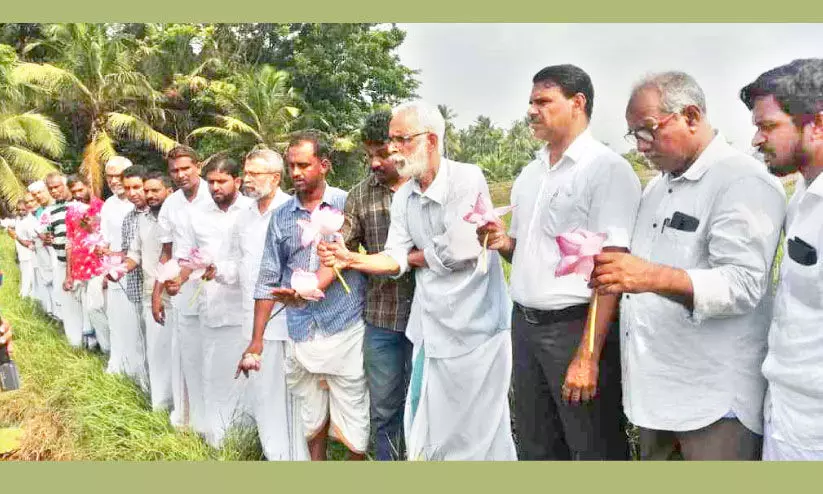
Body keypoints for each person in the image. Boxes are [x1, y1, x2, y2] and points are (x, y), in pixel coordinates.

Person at [591, 71, 786, 460]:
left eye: (647, 131)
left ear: (691, 116)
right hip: (655, 397)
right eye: (634, 135)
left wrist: (649, 276)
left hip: (713, 404)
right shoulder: (656, 187)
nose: (641, 146)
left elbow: (743, 284)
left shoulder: (742, 182)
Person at [318, 101, 517, 461]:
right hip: (433, 327)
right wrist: (352, 258)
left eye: (401, 140)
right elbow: (393, 256)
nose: (393, 149)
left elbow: (460, 249)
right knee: (430, 426)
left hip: (479, 329)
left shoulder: (466, 177)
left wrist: (409, 260)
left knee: (481, 430)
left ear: (431, 140)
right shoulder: (405, 197)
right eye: (391, 140)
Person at [479, 64, 639, 460]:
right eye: (531, 102)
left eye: (543, 101)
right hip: (527, 327)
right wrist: (503, 243)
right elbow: (532, 255)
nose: (532, 110)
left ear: (578, 103)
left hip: (575, 328)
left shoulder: (606, 170)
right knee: (537, 445)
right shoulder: (531, 173)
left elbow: (611, 268)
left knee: (592, 446)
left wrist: (587, 355)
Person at [239, 130, 368, 461]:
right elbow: (268, 275)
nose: (295, 173)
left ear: (324, 165)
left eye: (303, 165)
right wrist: (257, 340)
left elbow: (351, 254)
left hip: (345, 324)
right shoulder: (281, 216)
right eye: (291, 165)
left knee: (353, 413)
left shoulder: (346, 203)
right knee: (311, 416)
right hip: (301, 330)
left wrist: (308, 289)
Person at [740, 59, 823, 461]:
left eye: (768, 126)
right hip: (788, 411)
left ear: (817, 124)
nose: (756, 139)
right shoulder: (803, 196)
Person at [221, 148, 308, 460]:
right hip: (254, 320)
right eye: (247, 173)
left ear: (275, 177)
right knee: (265, 397)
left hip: (289, 319)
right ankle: (277, 458)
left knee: (296, 398)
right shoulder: (243, 215)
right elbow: (236, 264)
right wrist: (212, 271)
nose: (247, 180)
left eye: (255, 174)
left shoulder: (291, 210)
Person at [341, 110, 415, 460]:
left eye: (381, 154)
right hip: (381, 317)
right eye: (368, 155)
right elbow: (342, 243)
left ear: (403, 147)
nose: (373, 163)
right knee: (384, 408)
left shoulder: (425, 187)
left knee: (424, 405)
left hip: (429, 317)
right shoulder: (360, 195)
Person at [174, 154, 253, 447]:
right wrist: (178, 279)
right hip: (212, 309)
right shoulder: (197, 215)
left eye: (222, 181)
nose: (216, 187)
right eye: (211, 183)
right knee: (215, 377)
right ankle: (219, 440)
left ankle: (246, 440)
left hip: (247, 311)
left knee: (247, 383)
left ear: (238, 181)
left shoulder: (252, 210)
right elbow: (185, 256)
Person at [153, 145, 215, 432]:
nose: (180, 175)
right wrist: (157, 293)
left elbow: (214, 247)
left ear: (198, 166)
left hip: (217, 287)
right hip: (181, 291)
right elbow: (166, 253)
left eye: (185, 168)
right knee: (190, 357)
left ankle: (225, 425)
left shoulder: (215, 194)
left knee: (217, 357)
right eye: (174, 171)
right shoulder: (171, 204)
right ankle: (197, 423)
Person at [125, 172, 174, 413]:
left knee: (181, 354)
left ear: (169, 191)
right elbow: (135, 254)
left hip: (176, 294)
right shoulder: (143, 220)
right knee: (157, 354)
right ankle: (161, 407)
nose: (150, 195)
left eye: (156, 190)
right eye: (147, 190)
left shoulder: (177, 218)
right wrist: (116, 269)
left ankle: (183, 408)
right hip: (150, 295)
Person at [106, 165, 151, 390]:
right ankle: (146, 388)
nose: (133, 192)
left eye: (137, 187)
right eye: (128, 188)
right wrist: (113, 266)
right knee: (141, 339)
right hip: (135, 287)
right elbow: (128, 253)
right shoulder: (128, 219)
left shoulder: (160, 214)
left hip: (159, 289)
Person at [100, 157, 136, 364]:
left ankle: (136, 367)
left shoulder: (138, 202)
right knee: (117, 318)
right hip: (113, 271)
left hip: (134, 269)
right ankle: (119, 364)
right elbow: (105, 238)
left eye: (118, 176)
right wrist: (101, 249)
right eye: (110, 176)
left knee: (134, 320)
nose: (114, 181)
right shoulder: (108, 205)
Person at [43, 172, 85, 347]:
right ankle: (75, 343)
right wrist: (47, 238)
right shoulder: (50, 210)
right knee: (68, 304)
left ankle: (90, 341)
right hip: (61, 262)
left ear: (66, 185)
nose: (54, 191)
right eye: (50, 188)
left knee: (86, 304)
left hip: (81, 264)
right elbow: (48, 232)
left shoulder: (78, 206)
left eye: (57, 186)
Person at [65, 174, 105, 350]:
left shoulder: (102, 207)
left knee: (96, 307)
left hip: (98, 265)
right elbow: (70, 241)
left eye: (81, 189)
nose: (78, 194)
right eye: (74, 192)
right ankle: (92, 344)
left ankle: (107, 346)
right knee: (85, 307)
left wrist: (91, 227)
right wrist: (68, 273)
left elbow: (106, 237)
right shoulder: (71, 211)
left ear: (88, 186)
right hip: (79, 266)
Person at [28, 181, 56, 317]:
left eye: (40, 192)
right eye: (35, 194)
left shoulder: (56, 206)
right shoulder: (41, 212)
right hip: (46, 256)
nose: (38, 196)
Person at [10, 194, 39, 299]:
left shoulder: (31, 221)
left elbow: (32, 240)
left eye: (23, 209)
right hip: (21, 253)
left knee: (31, 277)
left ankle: (31, 298)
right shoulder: (18, 219)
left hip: (30, 254)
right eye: (18, 209)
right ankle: (24, 295)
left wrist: (16, 237)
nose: (21, 211)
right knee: (25, 275)